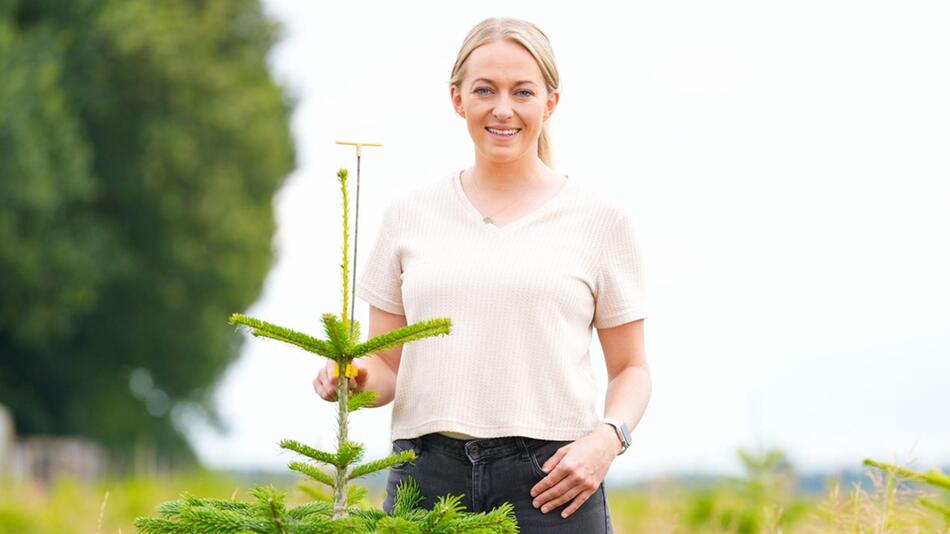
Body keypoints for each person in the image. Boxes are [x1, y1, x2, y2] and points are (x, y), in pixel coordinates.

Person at [312, 16, 649, 533]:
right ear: (457, 98)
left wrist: (607, 441)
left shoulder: (599, 221)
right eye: (485, 90)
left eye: (523, 92)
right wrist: (350, 379)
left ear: (550, 103)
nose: (503, 109)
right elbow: (384, 368)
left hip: (555, 484)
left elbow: (631, 370)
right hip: (425, 480)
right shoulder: (408, 215)